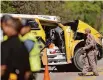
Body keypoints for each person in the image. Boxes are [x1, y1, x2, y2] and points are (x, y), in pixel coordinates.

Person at [1, 15, 31, 80]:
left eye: (2, 27)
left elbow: (2, 68)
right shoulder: (23, 45)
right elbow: (27, 71)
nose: (2, 29)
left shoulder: (5, 45)